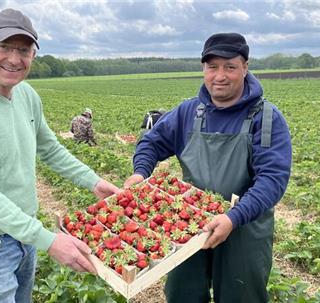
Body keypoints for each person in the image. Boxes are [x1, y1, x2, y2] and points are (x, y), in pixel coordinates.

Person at [0, 8, 119, 302]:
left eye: (24, 50)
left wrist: (94, 182)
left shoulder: (27, 95)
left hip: (23, 232)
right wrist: (49, 241)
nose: (15, 59)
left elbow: (50, 148)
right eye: (5, 47)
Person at [124, 33, 292, 303]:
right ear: (203, 68)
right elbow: (151, 143)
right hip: (186, 224)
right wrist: (140, 172)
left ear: (245, 68)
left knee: (242, 296)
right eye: (212, 67)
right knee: (183, 295)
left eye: (230, 67)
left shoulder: (266, 118)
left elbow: (272, 180)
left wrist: (233, 217)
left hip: (243, 229)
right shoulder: (189, 112)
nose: (220, 75)